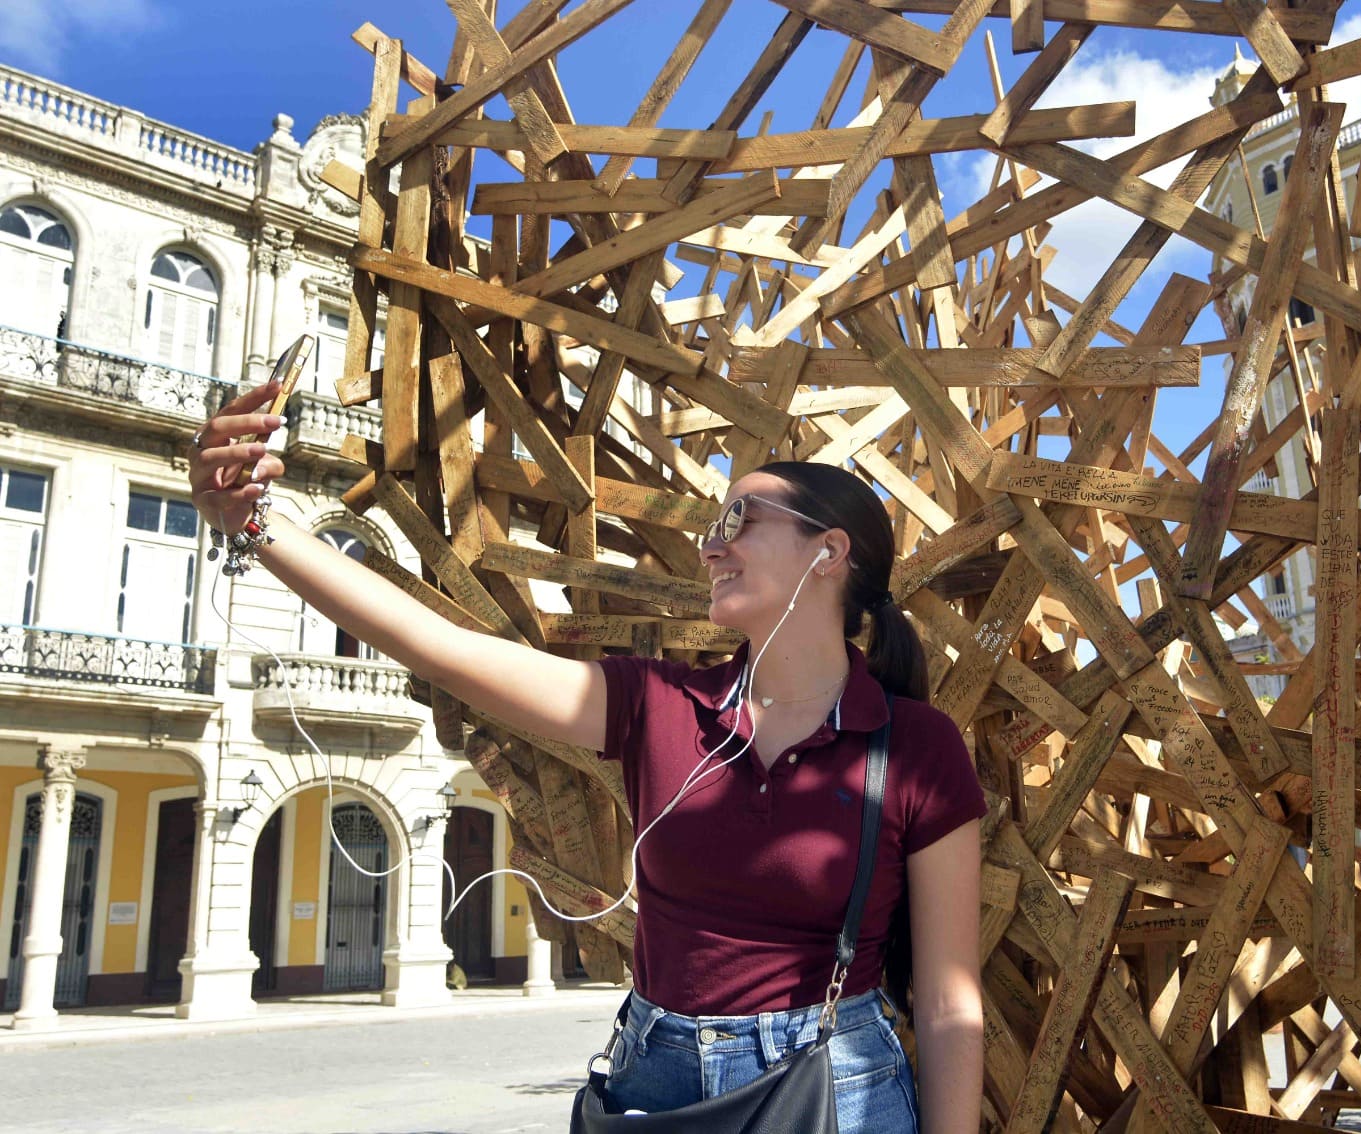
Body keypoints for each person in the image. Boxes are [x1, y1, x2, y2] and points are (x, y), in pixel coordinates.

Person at [189, 379, 986, 1133]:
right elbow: (442, 650)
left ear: (830, 551)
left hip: (834, 1090)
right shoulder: (657, 705)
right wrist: (254, 525)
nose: (712, 548)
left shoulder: (913, 747)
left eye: (739, 520)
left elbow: (950, 1005)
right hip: (658, 1080)